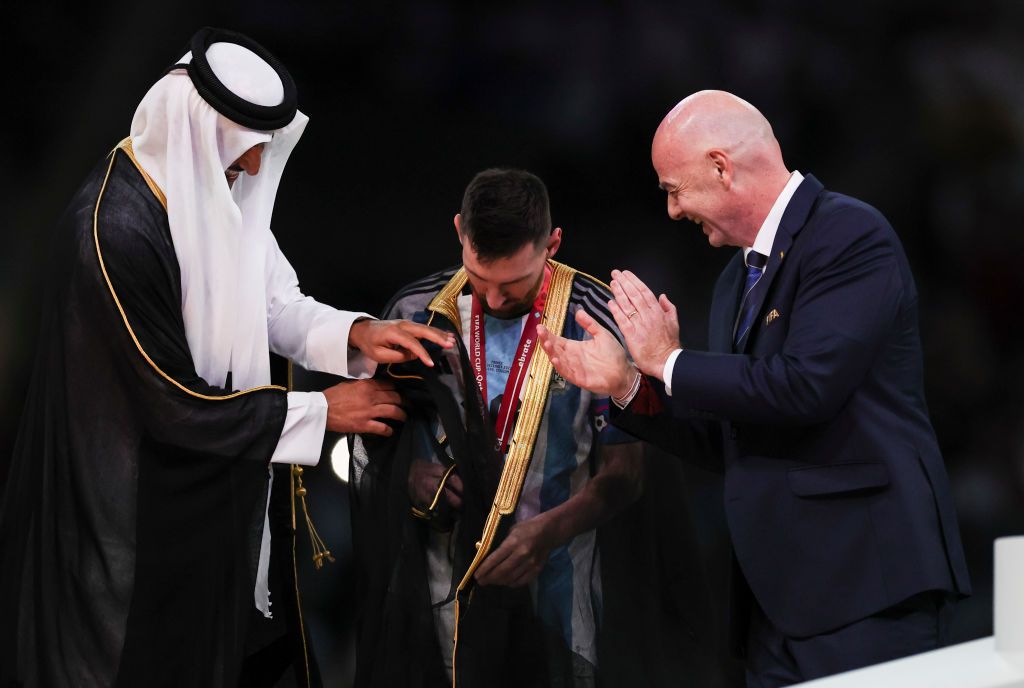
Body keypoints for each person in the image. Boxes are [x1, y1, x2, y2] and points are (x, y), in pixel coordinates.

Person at [0, 27, 452, 688]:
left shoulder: (212, 186)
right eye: (246, 149)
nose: (255, 168)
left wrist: (355, 337)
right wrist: (321, 413)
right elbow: (171, 403)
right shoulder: (112, 234)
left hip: (219, 508)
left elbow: (268, 300)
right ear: (202, 130)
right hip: (132, 530)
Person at [537, 90, 971, 687]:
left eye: (673, 188)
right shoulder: (733, 282)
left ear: (721, 167)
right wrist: (631, 383)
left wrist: (669, 360)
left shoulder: (848, 234)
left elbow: (804, 387)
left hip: (868, 589)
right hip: (778, 609)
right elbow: (734, 437)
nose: (672, 211)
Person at [351, 168, 712, 688]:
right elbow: (374, 435)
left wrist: (551, 531)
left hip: (560, 591)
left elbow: (627, 475)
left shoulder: (600, 322)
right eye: (480, 277)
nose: (495, 300)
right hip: (437, 584)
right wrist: (410, 471)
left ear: (553, 244)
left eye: (514, 283)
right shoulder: (415, 315)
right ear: (459, 232)